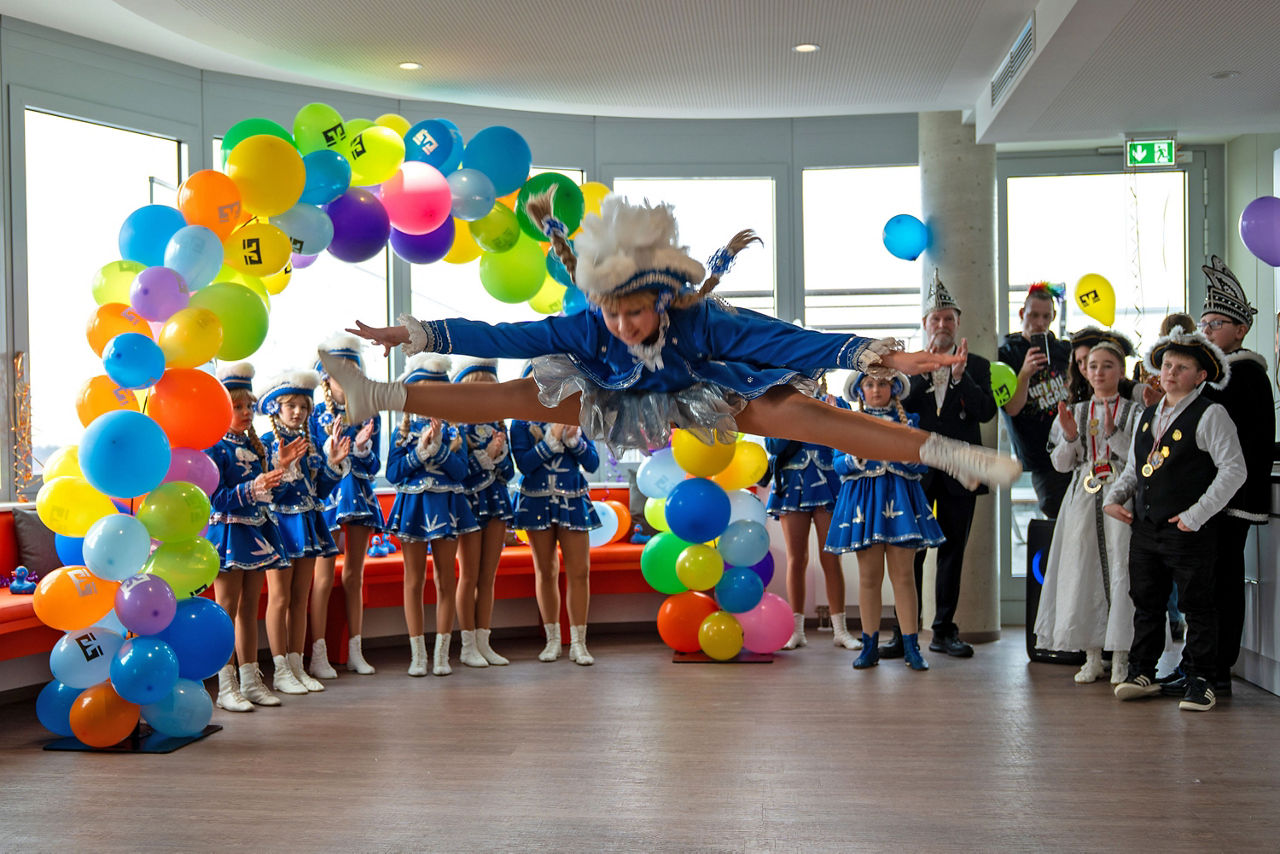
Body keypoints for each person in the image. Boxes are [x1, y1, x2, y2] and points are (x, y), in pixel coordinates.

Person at [322, 194, 1021, 496]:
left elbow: (791, 343)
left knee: (820, 422)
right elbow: (505, 335)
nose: (623, 325)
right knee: (514, 396)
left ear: (660, 300)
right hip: (611, 396)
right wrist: (417, 333)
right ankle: (374, 394)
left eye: (633, 313)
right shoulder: (589, 327)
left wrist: (882, 356)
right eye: (612, 313)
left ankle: (952, 454)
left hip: (706, 391)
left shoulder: (705, 321)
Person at [1105, 331, 1246, 712]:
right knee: (1146, 602)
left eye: (1181, 367)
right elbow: (1136, 469)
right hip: (1146, 527)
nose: (1170, 372)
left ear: (1201, 376)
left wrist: (1196, 515)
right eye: (1167, 365)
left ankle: (1202, 681)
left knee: (1197, 605)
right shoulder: (1148, 415)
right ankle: (1142, 672)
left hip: (1189, 530)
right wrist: (1112, 498)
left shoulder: (1211, 414)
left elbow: (1235, 470)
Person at [897, 271, 996, 659]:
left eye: (949, 319)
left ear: (958, 324)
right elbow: (897, 410)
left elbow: (986, 412)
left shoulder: (980, 366)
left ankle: (943, 631)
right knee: (911, 552)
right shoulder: (908, 368)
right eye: (935, 319)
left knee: (954, 549)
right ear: (924, 324)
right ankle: (904, 632)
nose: (942, 325)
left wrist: (959, 379)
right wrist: (927, 370)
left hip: (960, 470)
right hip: (917, 471)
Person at [1033, 337, 1139, 684]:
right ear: (1083, 370)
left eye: (1107, 366)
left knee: (1121, 568)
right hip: (1082, 495)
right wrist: (1068, 437)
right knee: (1083, 570)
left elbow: (1139, 458)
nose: (1098, 372)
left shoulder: (1135, 411)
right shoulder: (1075, 410)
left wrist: (1113, 434)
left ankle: (1121, 655)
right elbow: (1063, 465)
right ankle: (1093, 655)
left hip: (1121, 495)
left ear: (1120, 371)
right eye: (1092, 366)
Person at [826, 370, 943, 671]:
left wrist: (904, 454)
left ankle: (912, 647)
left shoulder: (910, 421)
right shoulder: (848, 422)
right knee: (869, 577)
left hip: (901, 498)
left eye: (882, 384)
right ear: (860, 390)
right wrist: (859, 457)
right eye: (869, 384)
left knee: (904, 576)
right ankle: (869, 647)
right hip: (864, 501)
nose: (876, 389)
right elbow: (838, 463)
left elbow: (922, 463)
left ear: (893, 388)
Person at [1196, 256, 1274, 697]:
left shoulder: (1243, 375)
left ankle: (1218, 666)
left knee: (1223, 580)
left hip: (1232, 498)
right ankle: (1204, 661)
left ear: (1240, 329)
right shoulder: (1218, 375)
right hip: (1211, 499)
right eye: (1204, 323)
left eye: (1216, 323)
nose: (1206, 330)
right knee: (1207, 581)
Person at [206, 363, 295, 712]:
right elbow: (214, 499)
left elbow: (273, 497)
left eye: (248, 406)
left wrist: (281, 472)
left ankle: (250, 680)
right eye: (236, 407)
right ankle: (225, 686)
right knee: (225, 609)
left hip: (256, 532)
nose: (245, 413)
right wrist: (250, 488)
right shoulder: (214, 448)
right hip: (227, 533)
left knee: (249, 608)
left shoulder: (257, 447)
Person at [384, 354, 478, 677]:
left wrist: (437, 449)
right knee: (413, 580)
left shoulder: (455, 430)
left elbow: (461, 472)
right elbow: (394, 473)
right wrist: (419, 451)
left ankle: (442, 654)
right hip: (412, 507)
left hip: (447, 507)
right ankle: (417, 654)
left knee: (445, 579)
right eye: (424, 391)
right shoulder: (401, 431)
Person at [258, 370, 351, 695]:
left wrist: (333, 464)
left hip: (308, 526)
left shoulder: (310, 443)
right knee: (280, 598)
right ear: (275, 407)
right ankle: (281, 668)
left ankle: (297, 666)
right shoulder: (267, 444)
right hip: (279, 528)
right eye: (290, 405)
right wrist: (282, 467)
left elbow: (319, 491)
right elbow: (270, 494)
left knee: (300, 598)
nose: (297, 412)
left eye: (303, 406)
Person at [764, 378, 860, 651]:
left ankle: (840, 631)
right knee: (797, 559)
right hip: (792, 483)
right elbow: (773, 447)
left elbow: (851, 441)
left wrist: (835, 414)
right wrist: (789, 413)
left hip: (828, 484)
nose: (804, 378)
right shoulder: (778, 403)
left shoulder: (836, 403)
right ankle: (796, 631)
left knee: (832, 558)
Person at [308, 333, 383, 678]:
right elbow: (310, 466)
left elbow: (373, 467)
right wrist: (332, 452)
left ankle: (356, 650)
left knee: (356, 575)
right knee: (322, 579)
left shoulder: (370, 411)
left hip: (361, 499)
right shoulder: (313, 414)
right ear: (326, 376)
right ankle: (318, 654)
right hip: (326, 500)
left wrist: (364, 447)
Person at [510, 400, 601, 665]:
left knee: (580, 571)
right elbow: (524, 465)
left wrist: (575, 442)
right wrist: (550, 440)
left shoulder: (578, 413)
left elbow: (593, 463)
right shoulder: (520, 417)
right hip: (535, 499)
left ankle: (579, 643)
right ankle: (552, 641)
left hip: (572, 498)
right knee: (546, 570)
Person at [450, 356, 515, 668]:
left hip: (497, 503)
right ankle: (466, 645)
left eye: (491, 388)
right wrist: (486, 457)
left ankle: (483, 641)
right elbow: (457, 472)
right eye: (479, 388)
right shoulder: (456, 426)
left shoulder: (500, 424)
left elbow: (511, 472)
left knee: (488, 577)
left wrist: (499, 456)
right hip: (468, 505)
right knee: (469, 576)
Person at [999, 283, 1072, 518]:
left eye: (1046, 316)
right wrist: (1025, 373)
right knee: (1055, 511)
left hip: (1071, 446)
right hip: (1039, 455)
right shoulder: (1007, 354)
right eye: (1033, 315)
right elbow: (1012, 408)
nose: (1040, 322)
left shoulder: (1063, 350)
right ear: (1022, 314)